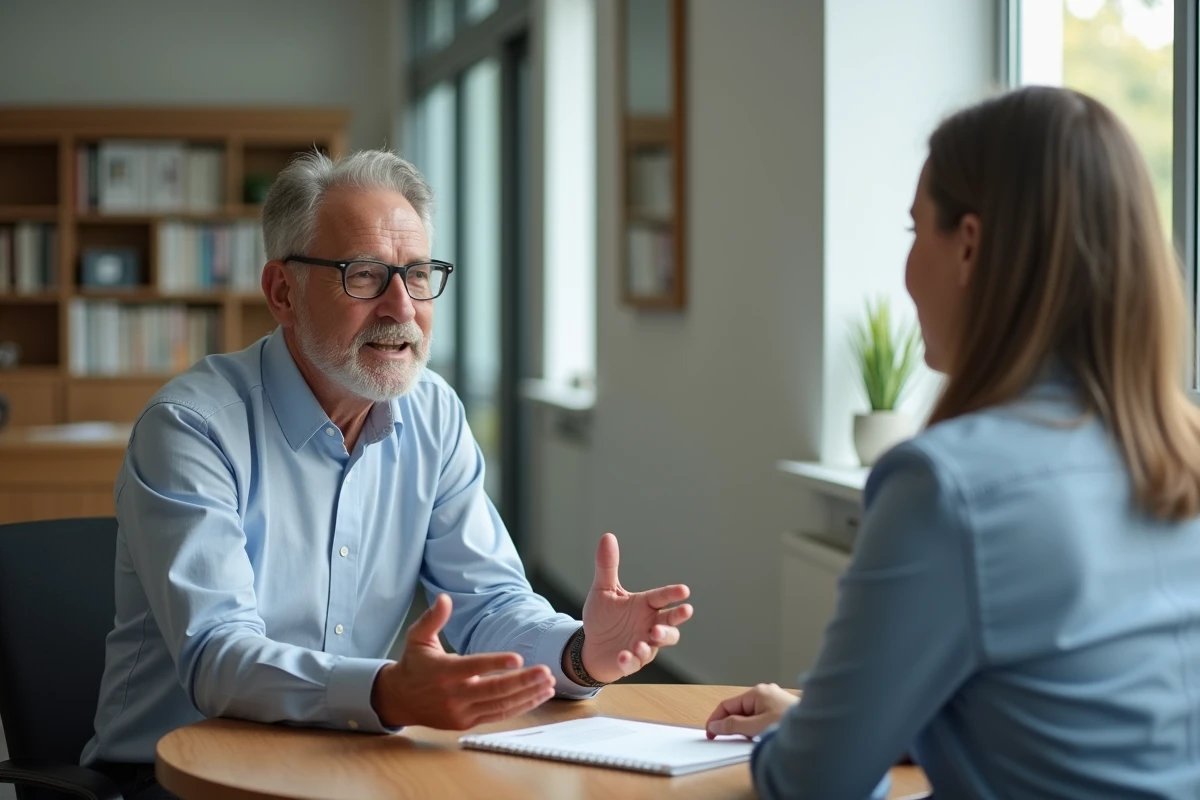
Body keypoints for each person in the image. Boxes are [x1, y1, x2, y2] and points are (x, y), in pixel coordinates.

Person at [81, 149, 694, 799]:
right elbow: (218, 657)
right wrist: (383, 691)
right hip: (172, 778)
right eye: (365, 275)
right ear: (282, 292)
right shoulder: (192, 426)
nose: (401, 306)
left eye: (419, 274)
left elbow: (491, 607)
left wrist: (581, 651)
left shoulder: (432, 413)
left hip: (347, 763)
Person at [706, 86, 1200, 798]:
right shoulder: (1176, 456)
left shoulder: (947, 486)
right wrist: (829, 719)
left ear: (968, 245)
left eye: (915, 233)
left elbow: (811, 784)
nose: (907, 270)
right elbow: (1074, 712)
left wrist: (803, 740)